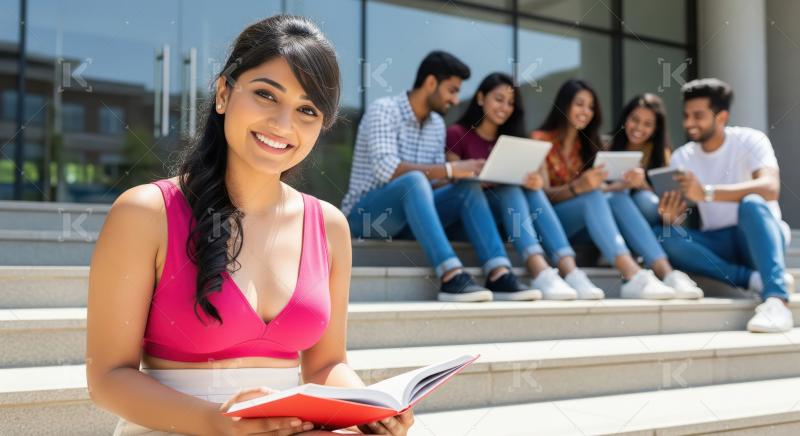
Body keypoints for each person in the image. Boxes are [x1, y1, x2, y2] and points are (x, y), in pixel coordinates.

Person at [86, 15, 413, 435]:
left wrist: (370, 408)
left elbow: (326, 365)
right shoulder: (145, 213)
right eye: (265, 94)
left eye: (307, 110)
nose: (283, 124)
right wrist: (217, 422)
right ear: (224, 93)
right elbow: (107, 378)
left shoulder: (329, 226)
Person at [341, 52, 539, 303]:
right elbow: (386, 169)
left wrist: (468, 175)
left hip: (411, 220)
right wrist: (450, 170)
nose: (455, 100)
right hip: (368, 217)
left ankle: (498, 272)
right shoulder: (384, 110)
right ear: (431, 83)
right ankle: (450, 275)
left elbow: (435, 181)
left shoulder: (436, 124)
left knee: (467, 189)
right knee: (414, 180)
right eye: (452, 90)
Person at [532, 79, 703, 300]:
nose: (586, 111)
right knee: (605, 196)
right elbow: (540, 197)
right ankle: (632, 274)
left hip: (595, 223)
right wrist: (579, 187)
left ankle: (666, 272)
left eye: (590, 107)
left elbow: (601, 191)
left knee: (617, 198)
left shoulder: (587, 144)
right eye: (579, 104)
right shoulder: (542, 141)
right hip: (554, 222)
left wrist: (631, 186)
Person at [446, 72, 604, 300]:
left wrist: (534, 183)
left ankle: (570, 270)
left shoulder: (512, 140)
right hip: (472, 219)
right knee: (508, 189)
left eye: (510, 103)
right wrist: (484, 176)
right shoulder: (458, 133)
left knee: (525, 189)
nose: (505, 107)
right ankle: (540, 270)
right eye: (499, 99)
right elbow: (453, 182)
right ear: (480, 98)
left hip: (509, 222)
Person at [656, 78, 795, 333]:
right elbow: (678, 215)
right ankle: (753, 279)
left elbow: (770, 188)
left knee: (751, 203)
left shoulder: (751, 139)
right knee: (663, 236)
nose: (689, 123)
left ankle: (777, 300)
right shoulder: (682, 157)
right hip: (718, 241)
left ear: (721, 117)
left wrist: (707, 193)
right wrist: (670, 217)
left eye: (698, 116)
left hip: (757, 234)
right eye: (686, 115)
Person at [607, 93, 673, 225]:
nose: (639, 128)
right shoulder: (607, 145)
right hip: (612, 213)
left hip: (646, 216)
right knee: (619, 197)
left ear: (655, 129)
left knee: (645, 199)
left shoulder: (662, 154)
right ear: (626, 119)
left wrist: (642, 184)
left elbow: (665, 203)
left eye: (647, 124)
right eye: (635, 120)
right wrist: (623, 185)